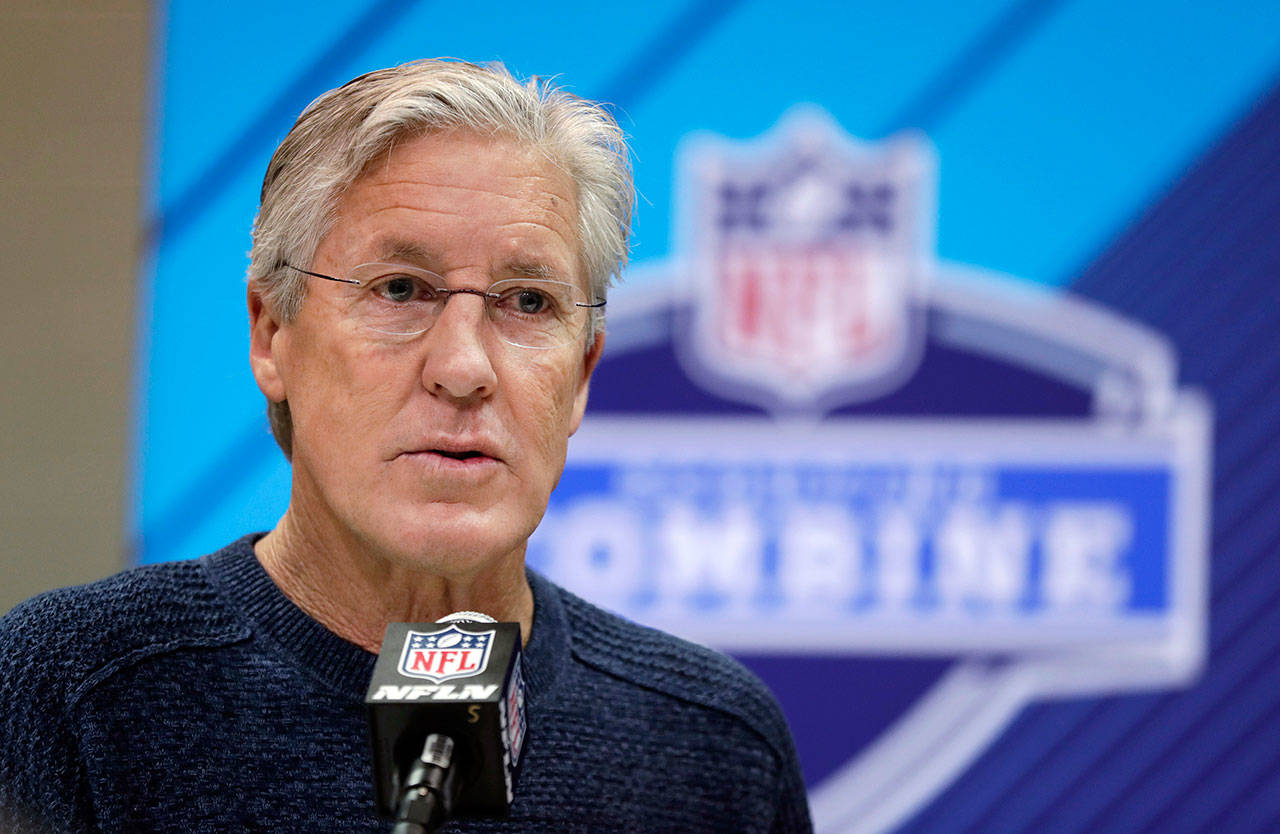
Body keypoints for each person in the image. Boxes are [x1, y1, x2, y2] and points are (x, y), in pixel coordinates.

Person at [0, 59, 812, 833]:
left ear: (584, 372)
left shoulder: (714, 747)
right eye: (399, 289)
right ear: (272, 334)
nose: (464, 369)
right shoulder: (69, 692)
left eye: (527, 301)